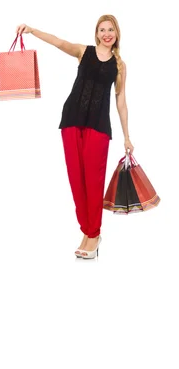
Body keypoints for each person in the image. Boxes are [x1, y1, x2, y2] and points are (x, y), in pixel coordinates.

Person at [17, 15, 134, 259]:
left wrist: (127, 137)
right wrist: (33, 30)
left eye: (110, 29)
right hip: (71, 120)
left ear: (116, 33)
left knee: (93, 180)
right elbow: (59, 42)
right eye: (102, 29)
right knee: (76, 179)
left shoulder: (119, 66)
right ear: (96, 33)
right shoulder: (84, 52)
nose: (106, 34)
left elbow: (121, 102)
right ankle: (87, 231)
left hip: (99, 127)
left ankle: (94, 233)